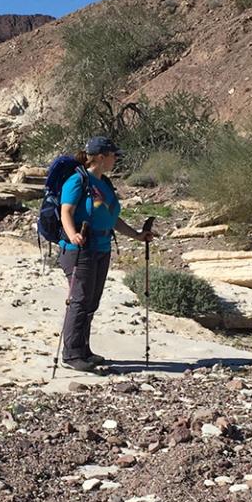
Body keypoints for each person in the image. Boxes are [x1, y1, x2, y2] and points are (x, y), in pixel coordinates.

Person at [58, 136, 153, 373]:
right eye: (113, 155)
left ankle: (84, 350)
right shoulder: (78, 180)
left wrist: (137, 235)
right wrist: (72, 235)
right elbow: (66, 211)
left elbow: (112, 218)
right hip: (80, 250)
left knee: (91, 301)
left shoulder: (105, 183)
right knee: (80, 300)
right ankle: (71, 354)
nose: (116, 159)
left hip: (101, 247)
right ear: (101, 157)